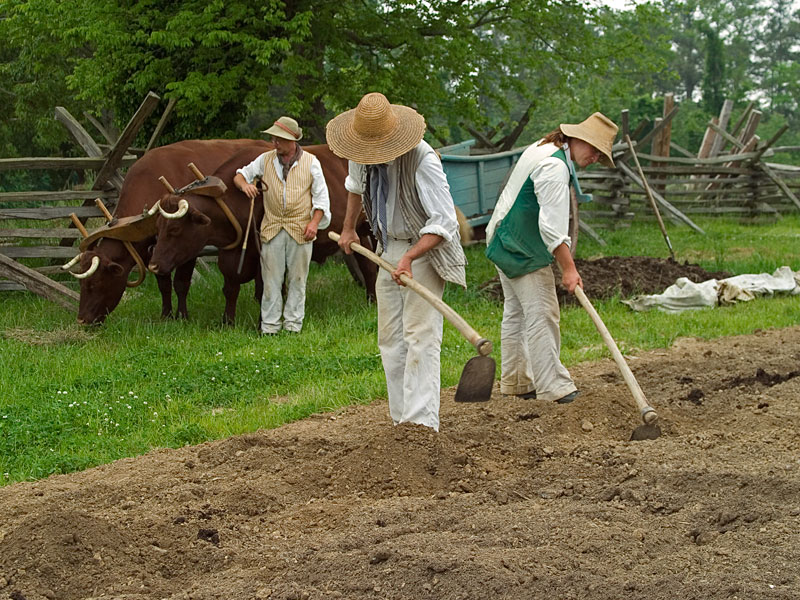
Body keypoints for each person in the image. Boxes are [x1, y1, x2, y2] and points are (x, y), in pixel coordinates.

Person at [326, 92, 467, 432]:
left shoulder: (422, 160)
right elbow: (355, 187)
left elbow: (445, 221)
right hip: (387, 249)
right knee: (390, 341)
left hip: (424, 251)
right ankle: (400, 423)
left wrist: (409, 257)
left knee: (420, 336)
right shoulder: (361, 152)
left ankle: (420, 425)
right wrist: (348, 230)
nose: (371, 153)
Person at [485, 112, 618, 404]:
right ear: (578, 139)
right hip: (518, 244)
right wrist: (569, 270)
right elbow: (553, 229)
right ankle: (554, 387)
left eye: (601, 153)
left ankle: (518, 381)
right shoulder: (554, 167)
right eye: (595, 149)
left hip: (502, 236)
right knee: (543, 311)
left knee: (517, 314)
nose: (596, 156)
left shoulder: (544, 147)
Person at [233, 116, 331, 334]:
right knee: (271, 280)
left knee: (297, 280)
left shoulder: (311, 162)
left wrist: (314, 223)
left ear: (292, 141)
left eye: (279, 140)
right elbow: (240, 175)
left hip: (301, 228)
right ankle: (269, 327)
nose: (274, 143)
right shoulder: (265, 160)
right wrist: (245, 186)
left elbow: (322, 199)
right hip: (273, 227)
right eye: (273, 139)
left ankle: (293, 326)